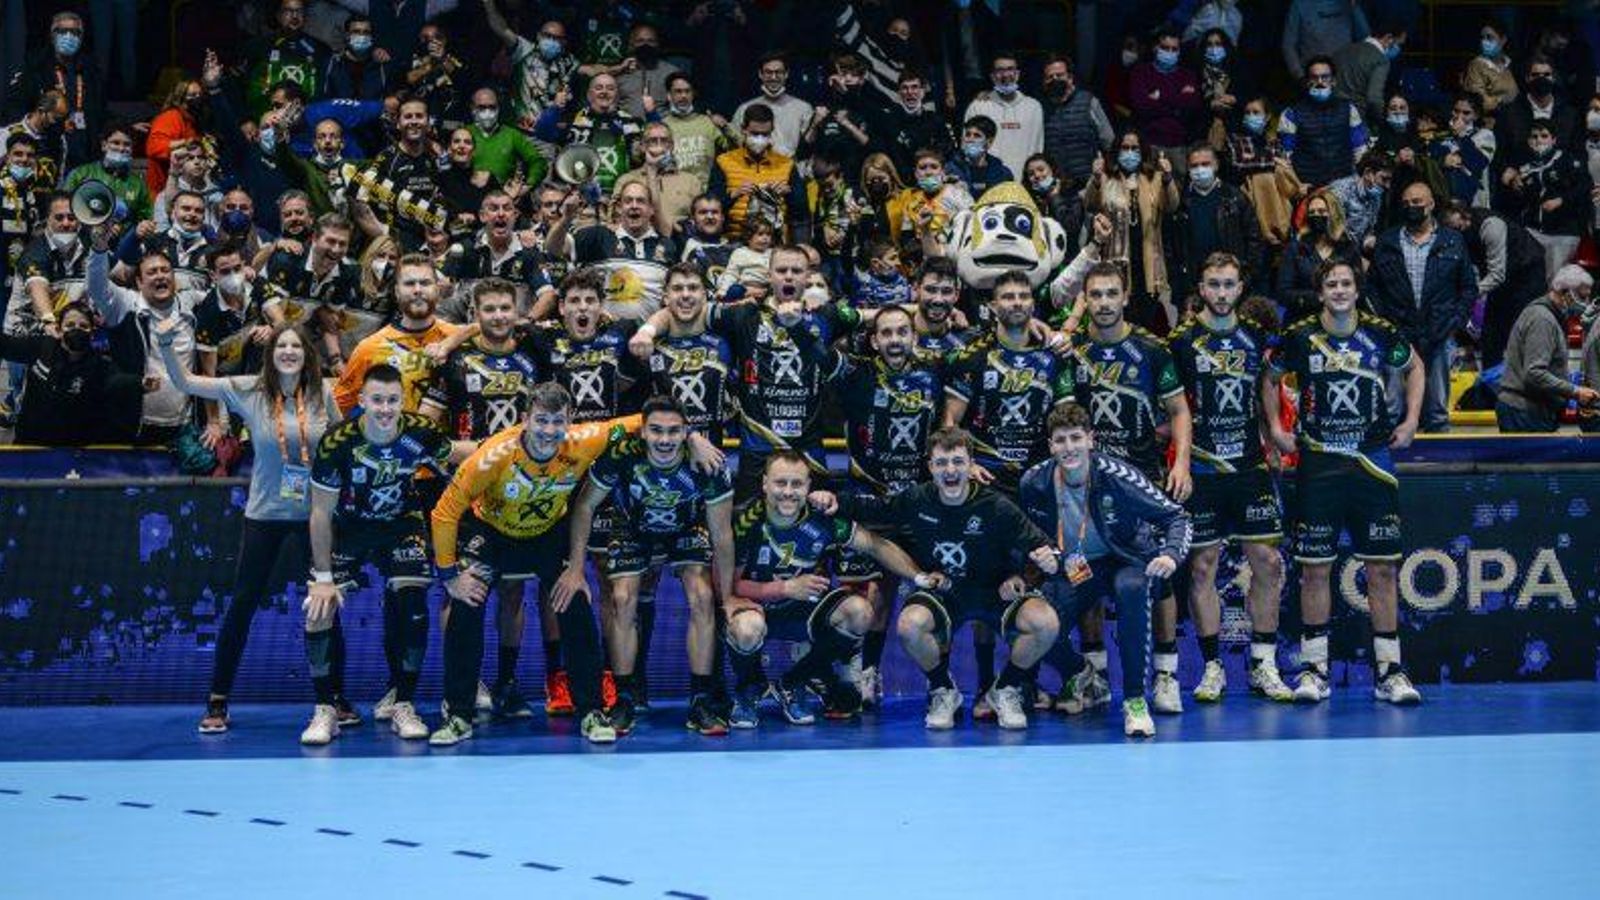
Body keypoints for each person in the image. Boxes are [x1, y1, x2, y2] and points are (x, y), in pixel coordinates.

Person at [427, 386, 659, 746]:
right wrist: (449, 576)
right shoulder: (492, 457)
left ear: (569, 422)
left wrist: (691, 437)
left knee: (576, 600)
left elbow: (639, 423)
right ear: (525, 420)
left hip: (548, 535)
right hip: (492, 533)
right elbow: (444, 513)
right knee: (465, 604)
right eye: (541, 421)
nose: (549, 431)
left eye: (557, 422)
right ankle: (458, 714)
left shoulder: (584, 440)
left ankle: (591, 711)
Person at [151, 317, 336, 734]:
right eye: (281, 347)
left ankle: (335, 698)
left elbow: (341, 445)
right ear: (271, 356)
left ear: (307, 355)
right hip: (265, 516)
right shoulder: (250, 389)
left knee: (326, 605)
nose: (289, 352)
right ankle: (217, 700)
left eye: (297, 347)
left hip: (316, 519)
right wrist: (165, 343)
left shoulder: (325, 393)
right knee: (242, 606)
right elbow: (186, 382)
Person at [814, 427, 1062, 731]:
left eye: (958, 462)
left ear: (971, 465)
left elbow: (1042, 546)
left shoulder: (996, 506)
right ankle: (944, 690)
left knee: (1046, 623)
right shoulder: (918, 498)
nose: (950, 471)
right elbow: (877, 508)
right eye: (942, 463)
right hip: (943, 591)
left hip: (993, 593)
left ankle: (1005, 689)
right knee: (909, 625)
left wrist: (1041, 566)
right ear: (930, 467)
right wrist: (834, 500)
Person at [1265, 259, 1424, 706]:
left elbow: (1416, 367)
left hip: (1372, 464)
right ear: (1320, 293)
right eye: (1330, 283)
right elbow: (1270, 377)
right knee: (1315, 571)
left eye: (1346, 283)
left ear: (1356, 290)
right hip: (1319, 466)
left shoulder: (1380, 331)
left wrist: (1411, 421)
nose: (1338, 289)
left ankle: (1390, 672)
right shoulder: (1298, 336)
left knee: (1382, 569)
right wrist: (1277, 429)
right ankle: (1314, 671)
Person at [419, 279, 555, 718]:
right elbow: (426, 423)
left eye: (504, 309)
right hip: (469, 491)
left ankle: (508, 683)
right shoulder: (454, 361)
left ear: (516, 311)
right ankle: (462, 684)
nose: (498, 316)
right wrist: (452, 452)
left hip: (522, 489)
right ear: (474, 313)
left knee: (514, 592)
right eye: (489, 309)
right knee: (460, 592)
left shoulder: (535, 354)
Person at [725, 451, 939, 727]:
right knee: (746, 628)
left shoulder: (822, 518)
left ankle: (792, 683)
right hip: (754, 608)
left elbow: (875, 545)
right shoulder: (745, 521)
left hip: (803, 610)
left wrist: (918, 576)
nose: (788, 492)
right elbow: (729, 587)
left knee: (860, 612)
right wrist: (785, 588)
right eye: (780, 483)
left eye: (796, 484)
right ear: (765, 483)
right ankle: (747, 691)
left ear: (808, 486)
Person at [1017, 403, 1192, 736]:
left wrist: (1170, 555)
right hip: (1077, 566)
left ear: (1091, 440)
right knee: (1036, 620)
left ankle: (1135, 701)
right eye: (1060, 440)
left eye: (1075, 438)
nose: (1069, 448)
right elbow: (1030, 532)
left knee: (1132, 589)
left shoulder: (1117, 475)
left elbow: (1177, 516)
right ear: (1051, 445)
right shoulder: (1034, 482)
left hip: (1126, 559)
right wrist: (1045, 554)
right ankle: (1085, 675)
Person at [302, 364, 455, 744]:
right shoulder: (338, 443)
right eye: (377, 401)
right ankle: (326, 709)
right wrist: (323, 580)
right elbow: (320, 512)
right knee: (318, 607)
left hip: (400, 523)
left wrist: (507, 444)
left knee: (413, 598)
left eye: (392, 401)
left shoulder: (421, 432)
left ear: (403, 401)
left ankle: (403, 703)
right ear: (362, 401)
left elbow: (456, 456)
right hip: (348, 528)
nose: (385, 409)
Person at [565, 396, 736, 735]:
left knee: (703, 596)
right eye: (656, 430)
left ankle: (701, 700)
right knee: (623, 599)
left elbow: (722, 535)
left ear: (687, 432)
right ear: (642, 432)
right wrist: (575, 568)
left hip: (686, 528)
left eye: (674, 432)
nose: (664, 440)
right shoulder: (621, 453)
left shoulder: (708, 464)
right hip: (632, 528)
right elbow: (584, 506)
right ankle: (624, 699)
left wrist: (728, 597)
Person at [1166, 253, 1292, 702]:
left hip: (1249, 466)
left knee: (1269, 563)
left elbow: (1266, 389)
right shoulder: (1179, 341)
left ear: (1241, 289)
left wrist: (1273, 434)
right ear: (1201, 288)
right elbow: (1172, 406)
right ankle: (1212, 666)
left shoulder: (1257, 337)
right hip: (1201, 468)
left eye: (1229, 284)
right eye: (1213, 284)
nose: (1221, 293)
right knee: (1202, 567)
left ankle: (1263, 664)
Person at [1369, 181, 1479, 433]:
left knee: (1437, 410)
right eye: (1406, 204)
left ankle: (1439, 463)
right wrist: (1384, 323)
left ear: (1430, 204)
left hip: (1439, 332)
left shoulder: (1453, 241)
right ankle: (1390, 458)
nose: (1411, 207)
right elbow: (1372, 289)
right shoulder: (1387, 241)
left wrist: (1456, 321)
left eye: (1417, 202)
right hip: (1398, 333)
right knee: (1393, 405)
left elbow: (1468, 288)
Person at [87, 225, 196, 445]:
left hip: (183, 426)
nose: (160, 276)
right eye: (152, 272)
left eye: (165, 271)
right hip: (134, 427)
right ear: (139, 282)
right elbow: (97, 287)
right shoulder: (126, 305)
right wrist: (99, 250)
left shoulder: (190, 304)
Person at [332, 253, 461, 415]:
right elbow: (339, 406)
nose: (418, 290)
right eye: (409, 283)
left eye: (425, 283)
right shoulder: (369, 348)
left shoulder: (458, 338)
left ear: (437, 288)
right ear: (396, 291)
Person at [0, 300, 140, 445]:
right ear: (59, 330)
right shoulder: (42, 346)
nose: (76, 330)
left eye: (83, 326)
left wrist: (140, 383)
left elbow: (120, 381)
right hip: (30, 444)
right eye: (70, 325)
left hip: (73, 450)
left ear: (92, 333)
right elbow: (7, 345)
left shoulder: (100, 363)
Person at [1084, 131, 1180, 333]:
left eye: (1134, 148)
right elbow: (1090, 204)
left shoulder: (1154, 177)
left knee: (1150, 316)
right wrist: (1094, 178)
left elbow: (1172, 205)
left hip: (1147, 258)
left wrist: (1169, 178)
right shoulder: (1106, 178)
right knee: (1122, 315)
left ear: (1142, 151)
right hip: (1116, 257)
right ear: (1117, 151)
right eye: (1125, 148)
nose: (1130, 153)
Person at [1440, 200, 1547, 368]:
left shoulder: (1490, 225)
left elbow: (1497, 274)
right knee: (1491, 333)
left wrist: (1470, 293)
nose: (1447, 225)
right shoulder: (1457, 233)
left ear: (1461, 213)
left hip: (1527, 273)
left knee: (1525, 328)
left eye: (1449, 219)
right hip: (1502, 278)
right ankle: (1490, 380)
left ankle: (1530, 377)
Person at [1496, 265, 1600, 431]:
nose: (1586, 304)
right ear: (1567, 293)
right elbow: (1534, 373)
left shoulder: (1548, 315)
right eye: (1582, 297)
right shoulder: (1542, 320)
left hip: (1531, 411)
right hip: (1525, 413)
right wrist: (1575, 391)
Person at [1166, 142, 1264, 299]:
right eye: (1194, 165)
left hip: (1232, 286)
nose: (1200, 170)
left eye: (1205, 164)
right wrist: (1180, 284)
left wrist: (1245, 279)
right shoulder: (1180, 203)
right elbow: (1171, 248)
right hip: (1193, 288)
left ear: (1216, 165)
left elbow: (1254, 240)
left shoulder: (1235, 197)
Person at [1499, 122, 1592, 277]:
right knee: (1528, 277)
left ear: (1553, 140)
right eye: (1534, 137)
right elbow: (1518, 200)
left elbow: (1584, 185)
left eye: (1544, 136)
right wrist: (1512, 183)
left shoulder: (1567, 160)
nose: (1539, 141)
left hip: (1563, 232)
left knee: (1554, 280)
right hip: (1534, 231)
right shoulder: (1525, 168)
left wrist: (1560, 200)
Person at [708, 103, 810, 243]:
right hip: (734, 240)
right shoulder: (724, 161)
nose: (760, 139)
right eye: (755, 133)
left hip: (773, 241)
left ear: (772, 132)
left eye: (765, 134)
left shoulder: (786, 164)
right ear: (744, 129)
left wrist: (789, 193)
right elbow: (711, 206)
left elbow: (801, 212)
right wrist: (734, 194)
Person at [484, 3, 578, 134]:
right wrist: (488, 4)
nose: (551, 40)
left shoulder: (569, 62)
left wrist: (617, 67)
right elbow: (502, 29)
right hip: (520, 130)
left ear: (564, 43)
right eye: (547, 35)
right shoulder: (524, 50)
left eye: (556, 38)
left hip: (548, 134)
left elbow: (592, 70)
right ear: (538, 36)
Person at [1278, 56, 1368, 190]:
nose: (1320, 82)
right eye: (1314, 77)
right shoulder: (1291, 114)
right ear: (1307, 81)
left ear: (1334, 81)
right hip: (1307, 185)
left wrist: (1358, 182)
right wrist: (1297, 185)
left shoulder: (1349, 110)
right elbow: (1286, 157)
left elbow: (1360, 149)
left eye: (1325, 77)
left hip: (1344, 184)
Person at [1275, 189, 1365, 321]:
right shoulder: (1295, 248)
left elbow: (1360, 289)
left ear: (1333, 215)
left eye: (1322, 212)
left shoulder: (1348, 248)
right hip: (1303, 318)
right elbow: (1283, 293)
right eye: (1312, 212)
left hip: (1341, 318)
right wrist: (1321, 297)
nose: (1316, 216)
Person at [1129, 29, 1202, 174]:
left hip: (1179, 145)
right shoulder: (1140, 72)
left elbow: (1192, 108)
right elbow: (1142, 107)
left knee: (1179, 192)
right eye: (1165, 48)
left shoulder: (1188, 75)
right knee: (1148, 193)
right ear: (1155, 48)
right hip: (1149, 143)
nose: (1170, 52)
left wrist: (1159, 97)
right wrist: (1177, 100)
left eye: (1174, 49)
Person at [962, 53, 1043, 177]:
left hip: (1025, 184)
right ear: (992, 76)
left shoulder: (1033, 107)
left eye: (1010, 69)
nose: (1006, 75)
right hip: (990, 183)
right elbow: (967, 148)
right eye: (1000, 70)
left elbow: (1038, 148)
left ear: (1018, 74)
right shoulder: (978, 106)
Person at [1041, 55, 1114, 187]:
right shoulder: (1041, 108)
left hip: (1090, 183)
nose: (1055, 80)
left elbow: (1108, 141)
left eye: (1059, 75)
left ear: (1070, 77)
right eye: (1050, 77)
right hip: (1056, 185)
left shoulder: (1089, 102)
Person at [732, 53, 813, 160]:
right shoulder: (745, 108)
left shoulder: (803, 108)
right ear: (760, 74)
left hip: (790, 171)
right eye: (768, 72)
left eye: (778, 72)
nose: (774, 77)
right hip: (755, 171)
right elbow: (735, 143)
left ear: (786, 74)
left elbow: (809, 146)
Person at [1331, 20, 1406, 124]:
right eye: (1398, 44)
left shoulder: (1343, 50)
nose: (1398, 49)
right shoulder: (1380, 60)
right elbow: (1374, 99)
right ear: (1388, 38)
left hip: (1331, 113)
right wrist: (1380, 121)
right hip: (1357, 118)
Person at [946, 115, 1013, 198]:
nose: (970, 139)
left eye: (977, 136)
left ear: (989, 142)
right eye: (968, 134)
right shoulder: (950, 170)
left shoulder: (1002, 173)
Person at [1462, 22, 1517, 117]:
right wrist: (1501, 100)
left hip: (1514, 117)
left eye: (1489, 37)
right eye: (1482, 37)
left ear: (1503, 40)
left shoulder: (1511, 63)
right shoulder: (1476, 65)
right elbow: (1477, 102)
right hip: (1490, 121)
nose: (1484, 41)